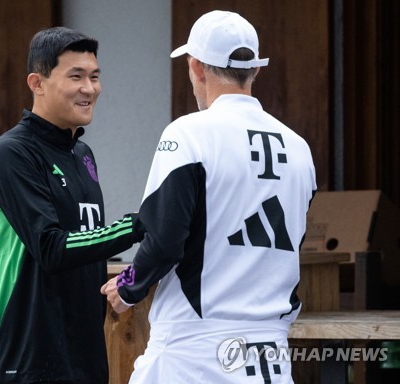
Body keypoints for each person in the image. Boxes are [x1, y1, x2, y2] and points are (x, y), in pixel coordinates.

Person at [101, 10, 316, 383]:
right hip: (269, 352)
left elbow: (165, 239)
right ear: (255, 70)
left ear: (196, 67)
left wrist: (128, 286)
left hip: (195, 348)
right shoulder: (299, 149)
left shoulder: (189, 133)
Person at [0, 27, 142, 384]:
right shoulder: (11, 153)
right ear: (37, 82)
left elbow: (87, 241)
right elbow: (51, 248)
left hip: (85, 354)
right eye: (76, 76)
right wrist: (137, 226)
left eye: (95, 76)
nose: (89, 88)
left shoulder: (83, 154)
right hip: (26, 357)